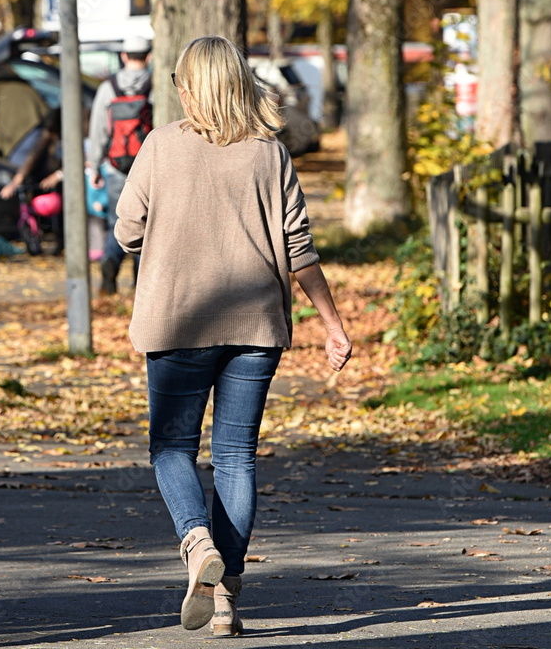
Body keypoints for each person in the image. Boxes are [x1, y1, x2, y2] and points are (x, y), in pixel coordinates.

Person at [114, 35, 352, 636]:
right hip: (255, 328)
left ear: (192, 86)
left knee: (171, 449)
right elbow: (299, 249)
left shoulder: (161, 146)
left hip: (178, 323)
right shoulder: (268, 154)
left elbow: (126, 231)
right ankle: (225, 599)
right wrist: (332, 324)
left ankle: (197, 545)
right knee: (235, 457)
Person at [87, 35, 152, 294]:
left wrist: (95, 166)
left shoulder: (108, 88)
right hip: (147, 168)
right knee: (146, 223)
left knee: (119, 219)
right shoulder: (154, 86)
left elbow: (98, 131)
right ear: (148, 56)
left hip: (116, 167)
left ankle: (110, 262)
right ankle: (139, 284)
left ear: (124, 56)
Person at [0, 62, 49, 165]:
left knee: (16, 171)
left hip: (13, 139)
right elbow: (45, 112)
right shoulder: (27, 87)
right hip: (34, 132)